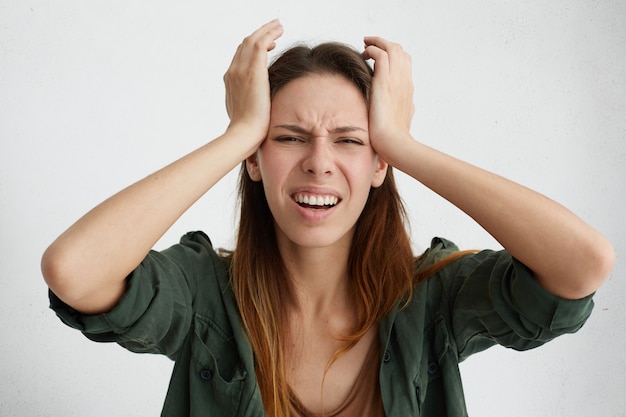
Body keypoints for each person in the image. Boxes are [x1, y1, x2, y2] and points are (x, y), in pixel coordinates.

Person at [42, 19, 614, 417]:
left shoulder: (433, 299)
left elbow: (584, 263)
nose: (319, 164)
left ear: (378, 164)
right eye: (288, 138)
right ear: (257, 161)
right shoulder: (204, 296)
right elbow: (73, 270)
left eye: (348, 141)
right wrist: (238, 134)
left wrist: (402, 144)